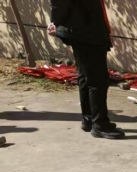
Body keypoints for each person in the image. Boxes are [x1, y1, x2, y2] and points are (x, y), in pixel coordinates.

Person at [48, 0, 124, 139]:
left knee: (85, 76)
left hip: (84, 29)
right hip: (85, 31)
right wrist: (56, 21)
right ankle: (99, 124)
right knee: (97, 80)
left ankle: (89, 119)